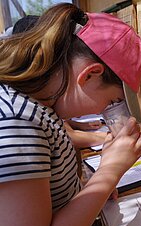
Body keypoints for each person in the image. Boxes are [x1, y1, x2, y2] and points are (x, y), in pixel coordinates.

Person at [0, 3, 141, 226]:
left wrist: (94, 192)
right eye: (111, 102)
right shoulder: (16, 121)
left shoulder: (43, 106)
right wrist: (109, 171)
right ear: (90, 75)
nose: (104, 110)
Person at [11, 14, 108, 150]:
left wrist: (78, 125)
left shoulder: (41, 100)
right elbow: (68, 136)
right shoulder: (18, 115)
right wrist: (110, 147)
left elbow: (59, 127)